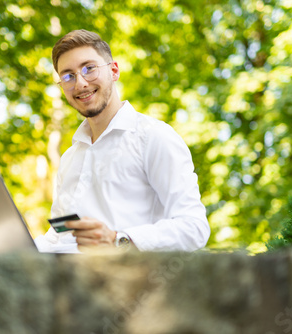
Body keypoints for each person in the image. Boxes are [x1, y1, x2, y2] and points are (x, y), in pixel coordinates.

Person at [34, 29, 210, 253]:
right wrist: (16, 248)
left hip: (132, 282)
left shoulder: (153, 137)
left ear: (114, 71)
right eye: (68, 76)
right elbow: (60, 234)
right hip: (69, 282)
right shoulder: (70, 157)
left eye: (89, 69)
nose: (80, 83)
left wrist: (118, 239)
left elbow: (194, 228)